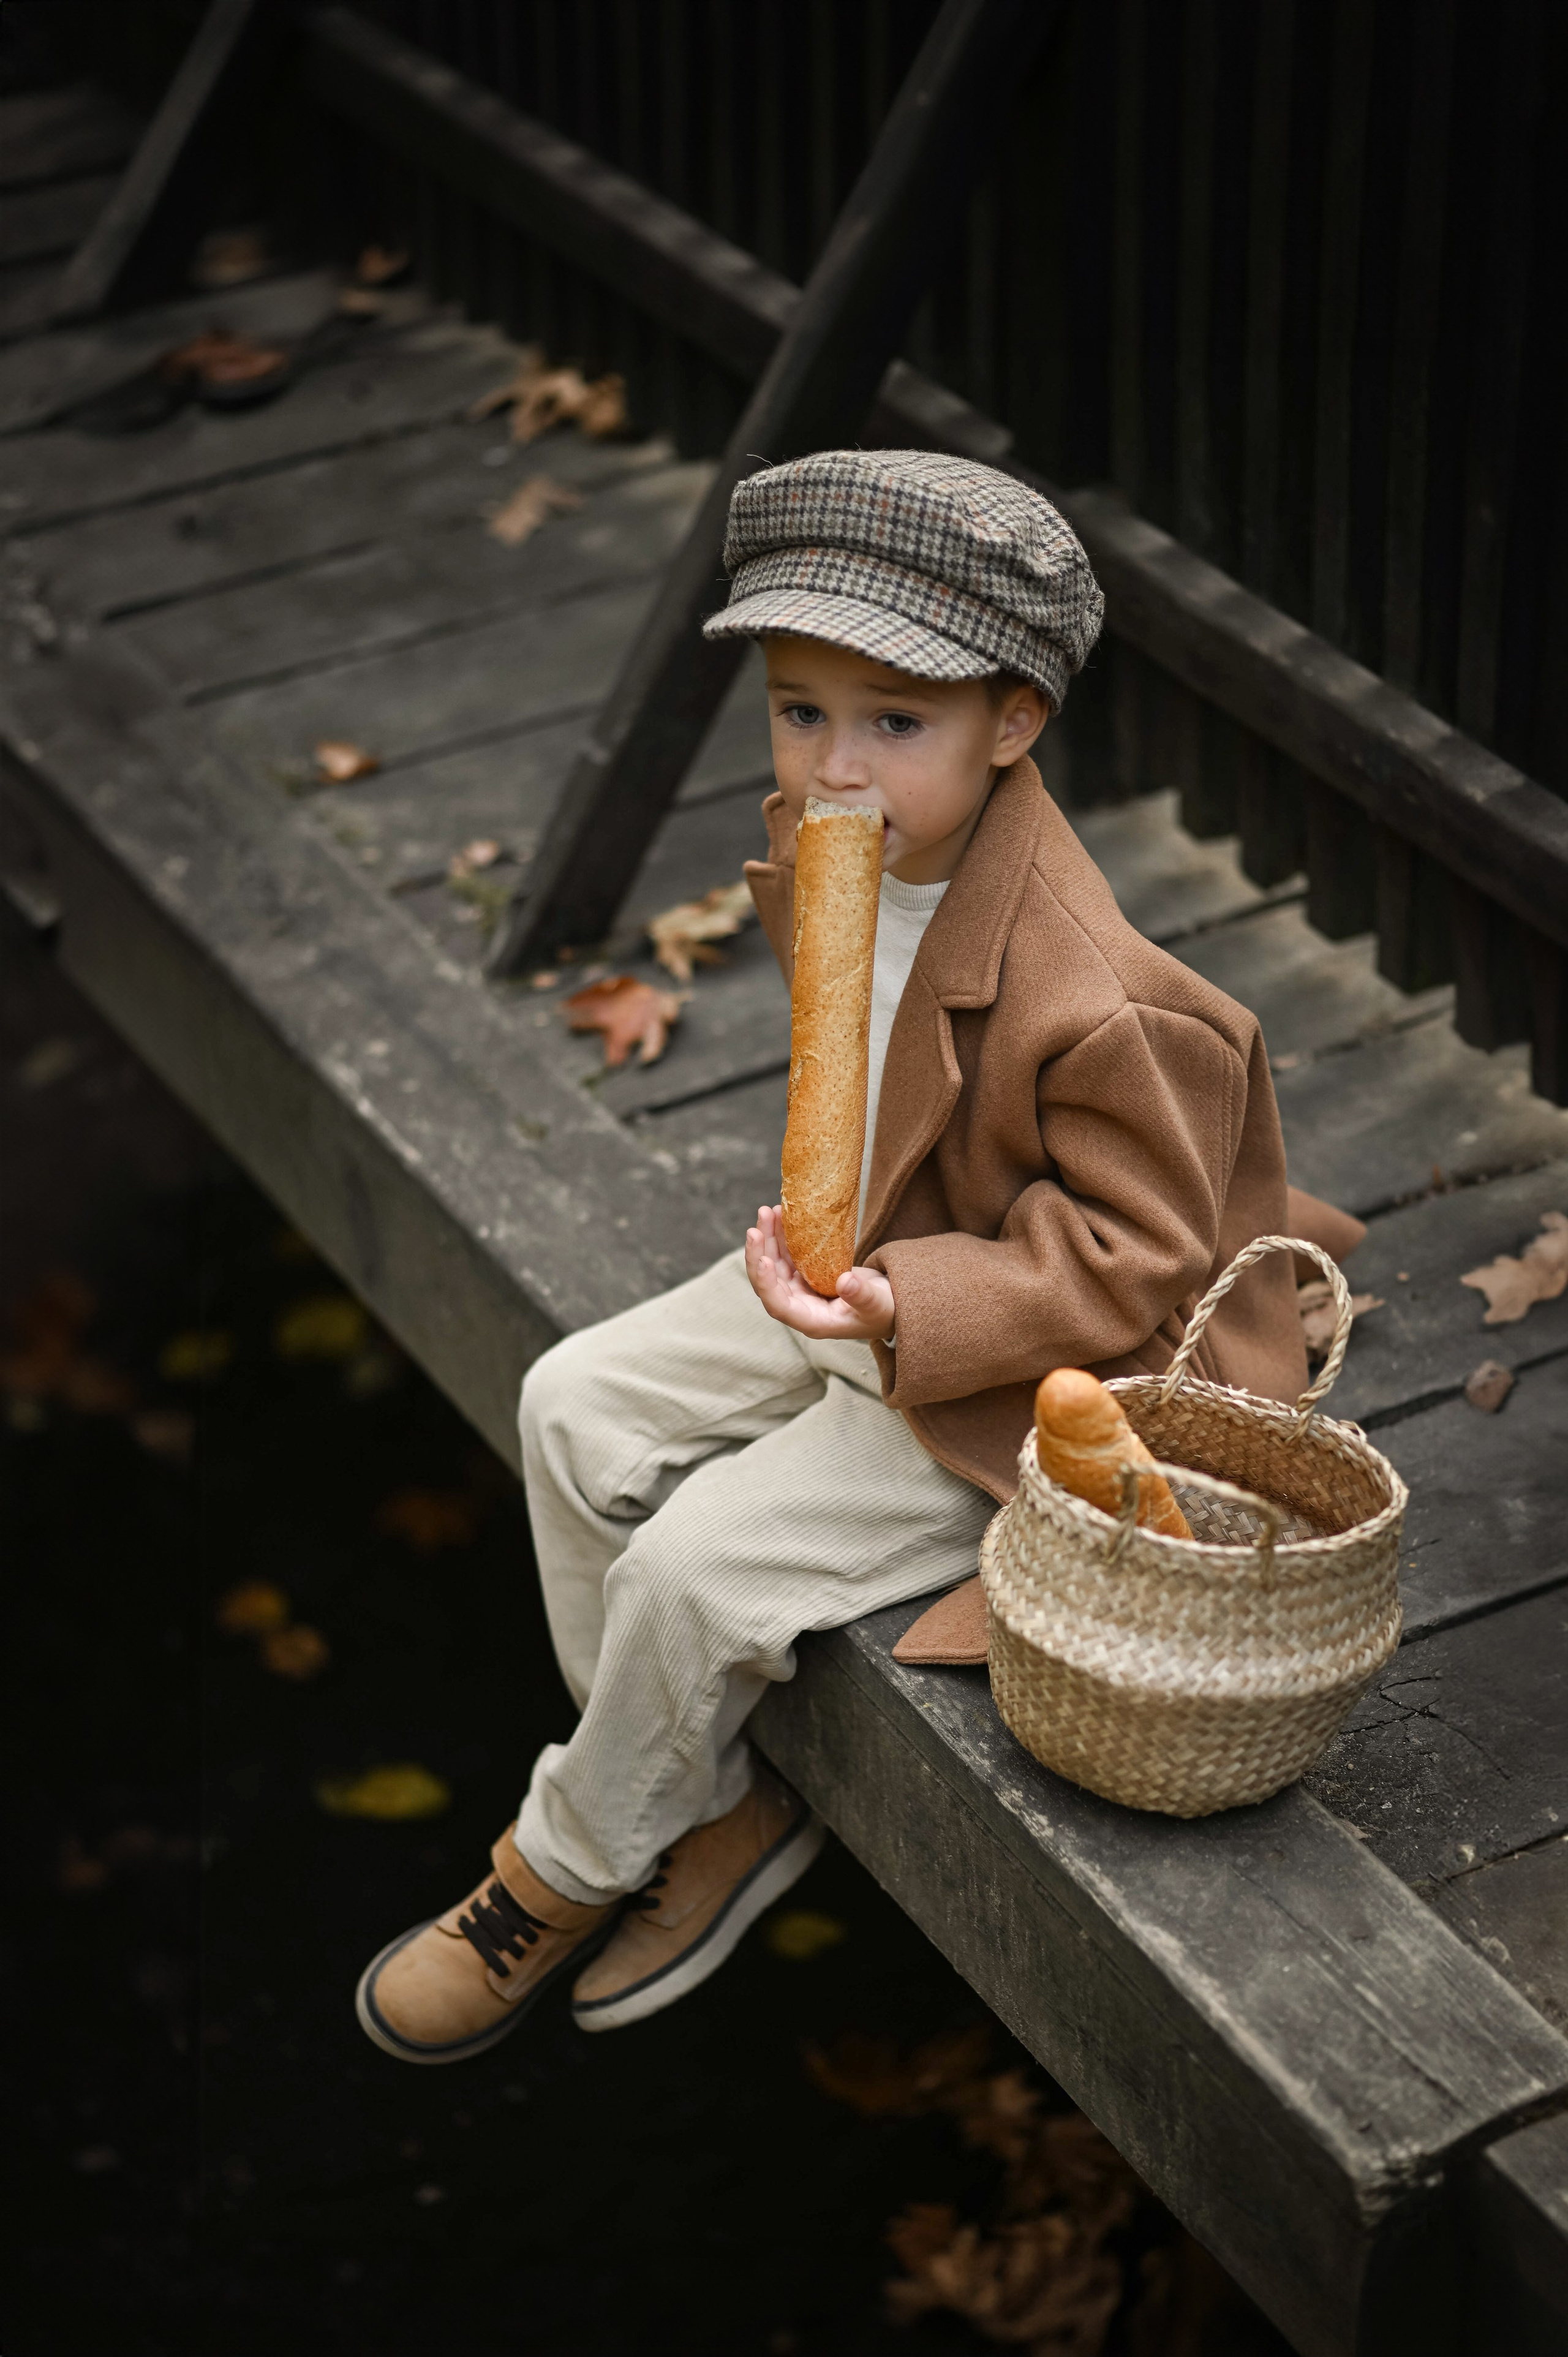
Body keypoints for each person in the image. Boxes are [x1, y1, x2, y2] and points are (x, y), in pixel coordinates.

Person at [355, 449, 1307, 2064]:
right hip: (853, 1257)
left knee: (691, 1567)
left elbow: (1140, 1253)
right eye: (802, 711)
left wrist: (902, 1310)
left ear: (1015, 724)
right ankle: (712, 1808)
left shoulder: (1109, 996)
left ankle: (562, 1868)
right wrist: (836, 1262)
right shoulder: (836, 844)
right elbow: (871, 1084)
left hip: (1009, 1357)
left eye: (896, 720)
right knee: (571, 1407)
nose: (836, 767)